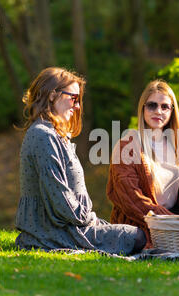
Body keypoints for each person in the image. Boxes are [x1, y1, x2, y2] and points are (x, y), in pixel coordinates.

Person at [14, 67, 146, 255]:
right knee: (137, 237)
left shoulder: (54, 135)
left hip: (72, 224)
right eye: (73, 98)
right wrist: (87, 219)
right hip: (54, 232)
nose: (77, 106)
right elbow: (58, 196)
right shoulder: (43, 136)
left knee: (137, 234)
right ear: (52, 95)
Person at [106, 79, 179, 248]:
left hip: (175, 221)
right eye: (152, 105)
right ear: (143, 108)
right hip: (141, 225)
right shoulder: (128, 145)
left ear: (172, 111)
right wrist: (170, 221)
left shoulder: (177, 145)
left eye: (164, 106)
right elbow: (130, 198)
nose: (158, 111)